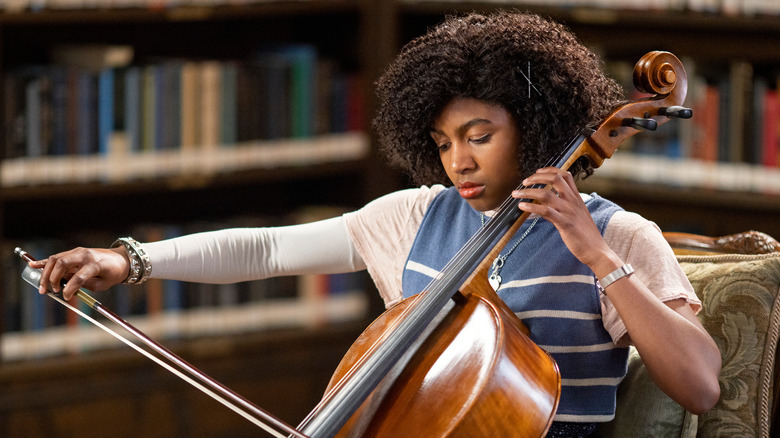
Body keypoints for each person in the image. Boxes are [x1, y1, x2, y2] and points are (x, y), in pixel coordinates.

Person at [31, 10, 720, 437]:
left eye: (480, 135)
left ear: (541, 127)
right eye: (445, 142)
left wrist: (596, 256)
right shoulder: (414, 217)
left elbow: (699, 383)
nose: (459, 162)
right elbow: (268, 248)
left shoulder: (619, 235)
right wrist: (131, 260)